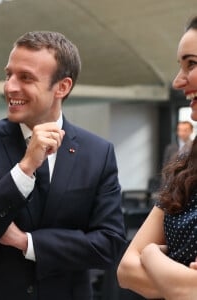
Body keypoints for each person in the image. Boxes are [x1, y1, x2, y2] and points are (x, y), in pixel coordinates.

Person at [0, 31, 126, 300]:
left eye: (26, 77)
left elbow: (108, 244)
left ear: (62, 87)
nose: (10, 87)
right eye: (8, 75)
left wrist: (26, 242)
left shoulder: (98, 153)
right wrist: (24, 169)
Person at [117, 16, 197, 300]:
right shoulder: (188, 167)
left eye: (193, 63)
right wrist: (175, 273)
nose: (177, 81)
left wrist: (150, 254)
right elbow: (126, 270)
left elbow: (189, 290)